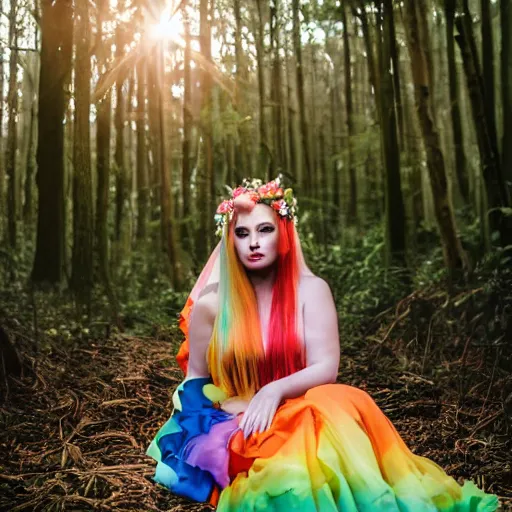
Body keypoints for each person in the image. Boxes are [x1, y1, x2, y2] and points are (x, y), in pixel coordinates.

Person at [147, 177, 499, 511]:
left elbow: (326, 367)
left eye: (265, 229)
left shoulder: (312, 291)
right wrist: (205, 429)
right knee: (303, 442)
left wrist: (272, 391)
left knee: (338, 400)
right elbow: (194, 380)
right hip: (241, 423)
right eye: (242, 233)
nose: (254, 242)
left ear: (283, 233)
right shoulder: (212, 305)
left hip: (303, 410)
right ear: (231, 240)